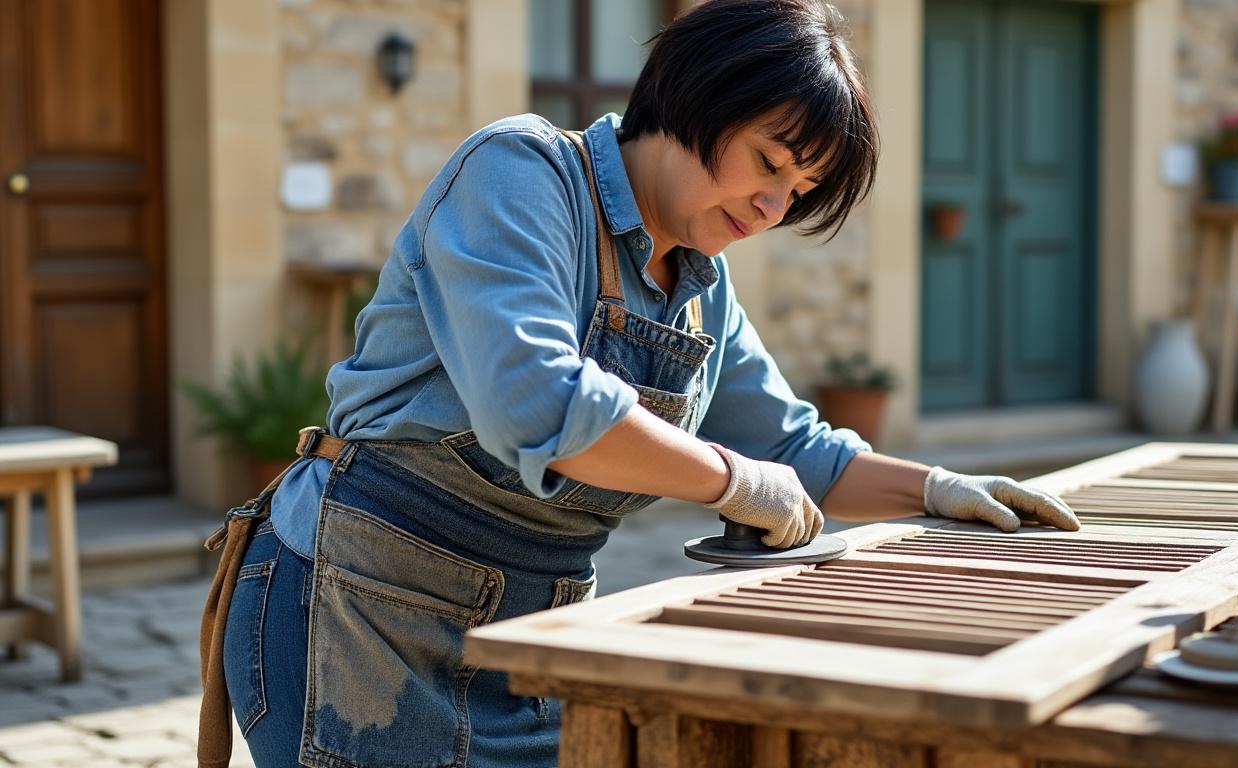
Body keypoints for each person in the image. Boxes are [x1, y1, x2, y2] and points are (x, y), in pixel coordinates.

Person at [198, 1, 1079, 766]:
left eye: (800, 191)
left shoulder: (703, 284)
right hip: (355, 619)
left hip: (536, 641)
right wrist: (731, 482)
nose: (775, 209)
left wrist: (938, 490)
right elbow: (541, 404)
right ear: (700, 95)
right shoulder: (520, 174)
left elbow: (792, 449)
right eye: (770, 164)